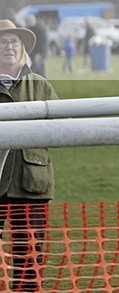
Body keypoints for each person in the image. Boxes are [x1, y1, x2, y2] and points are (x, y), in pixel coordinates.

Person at [0, 19, 59, 291]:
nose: (8, 47)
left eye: (14, 41)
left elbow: (61, 128)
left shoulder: (40, 85)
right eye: (2, 41)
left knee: (29, 256)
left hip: (30, 182)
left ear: (22, 48)